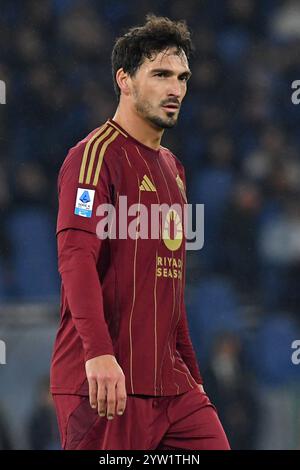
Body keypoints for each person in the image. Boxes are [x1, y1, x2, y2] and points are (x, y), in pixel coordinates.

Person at [50, 14, 230, 451]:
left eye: (183, 77)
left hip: (173, 390)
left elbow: (170, 285)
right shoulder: (93, 157)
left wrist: (194, 378)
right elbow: (76, 259)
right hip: (106, 383)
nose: (176, 89)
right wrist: (99, 353)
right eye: (161, 75)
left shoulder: (175, 171)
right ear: (125, 80)